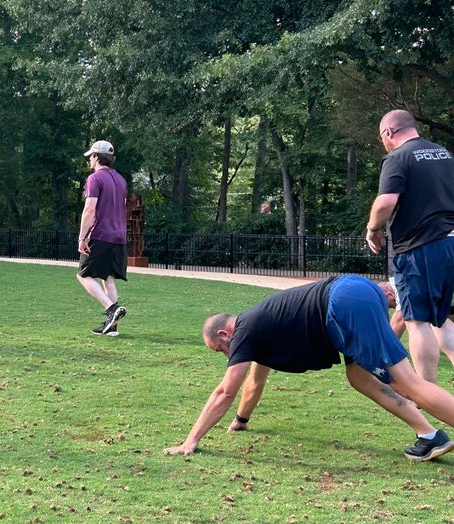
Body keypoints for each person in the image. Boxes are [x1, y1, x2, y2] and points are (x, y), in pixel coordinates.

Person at [164, 275, 454, 461]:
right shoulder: (260, 330)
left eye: (220, 350)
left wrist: (191, 440)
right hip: (355, 293)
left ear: (224, 335)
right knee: (359, 378)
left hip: (343, 302)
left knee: (406, 382)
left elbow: (225, 392)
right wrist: (241, 419)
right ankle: (429, 436)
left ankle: (432, 431)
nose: (226, 355)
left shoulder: (245, 332)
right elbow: (255, 382)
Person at [366, 109, 454, 384]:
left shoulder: (398, 157)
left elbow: (386, 202)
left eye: (382, 137)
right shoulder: (444, 154)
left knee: (417, 322)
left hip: (421, 247)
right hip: (450, 243)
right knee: (440, 321)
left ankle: (427, 392)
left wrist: (372, 229)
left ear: (389, 132)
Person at [77, 140, 128, 336]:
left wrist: (82, 238)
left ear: (97, 157)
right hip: (119, 236)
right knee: (108, 278)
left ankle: (111, 309)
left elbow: (89, 209)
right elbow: (121, 206)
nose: (89, 159)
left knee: (83, 275)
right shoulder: (121, 180)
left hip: (101, 234)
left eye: (91, 156)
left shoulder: (95, 179)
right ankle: (112, 327)